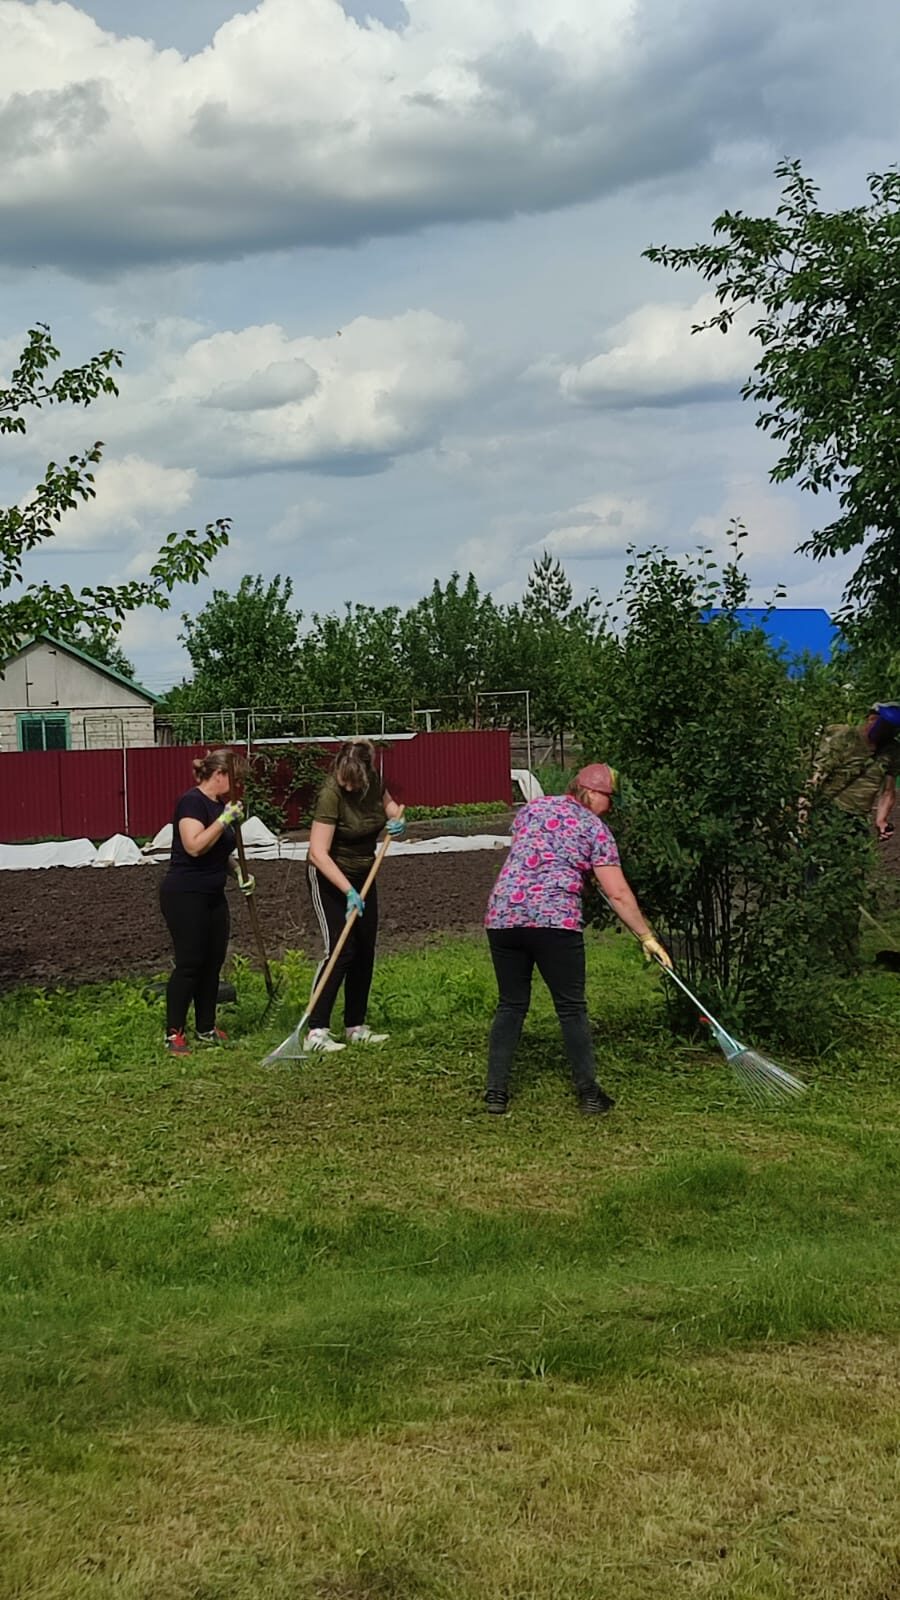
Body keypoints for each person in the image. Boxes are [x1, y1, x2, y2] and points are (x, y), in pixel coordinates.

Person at [483, 762, 671, 1116]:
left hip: (504, 915)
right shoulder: (594, 829)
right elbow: (617, 893)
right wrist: (646, 936)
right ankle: (588, 1093)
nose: (610, 808)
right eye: (609, 799)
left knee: (511, 1004)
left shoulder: (533, 809)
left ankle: (496, 1092)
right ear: (594, 793)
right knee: (571, 1008)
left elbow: (529, 851)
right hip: (555, 919)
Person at [305, 738, 406, 1053]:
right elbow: (317, 853)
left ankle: (355, 1026)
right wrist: (347, 890)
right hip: (331, 877)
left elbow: (391, 807)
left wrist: (397, 820)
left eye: (354, 780)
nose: (347, 786)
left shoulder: (373, 781)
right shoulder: (330, 795)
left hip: (365, 874)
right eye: (343, 779)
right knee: (341, 949)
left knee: (364, 948)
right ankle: (316, 1031)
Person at [159, 749, 255, 1056]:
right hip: (185, 894)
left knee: (213, 963)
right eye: (237, 780)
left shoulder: (218, 806)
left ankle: (206, 1027)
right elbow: (195, 846)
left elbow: (217, 851)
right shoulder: (192, 802)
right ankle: (174, 1033)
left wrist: (239, 871)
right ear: (220, 775)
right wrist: (224, 820)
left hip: (214, 895)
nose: (240, 787)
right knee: (190, 963)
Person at [804, 702, 900, 840]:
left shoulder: (892, 751)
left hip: (858, 818)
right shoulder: (845, 736)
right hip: (827, 810)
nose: (888, 732)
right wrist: (805, 807)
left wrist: (881, 820)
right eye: (886, 726)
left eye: (894, 729)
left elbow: (888, 790)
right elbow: (819, 772)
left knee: (856, 858)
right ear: (872, 718)